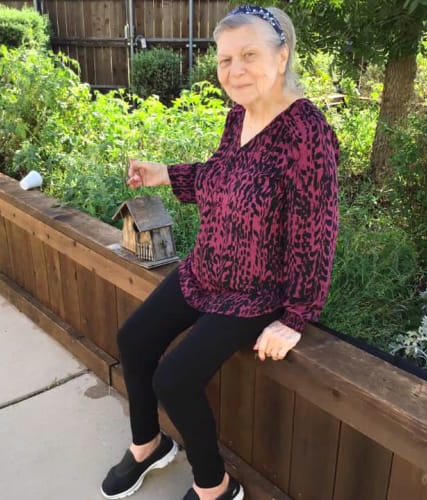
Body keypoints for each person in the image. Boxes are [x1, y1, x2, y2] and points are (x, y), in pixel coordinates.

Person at [101, 5, 339, 500]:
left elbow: (317, 233)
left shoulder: (308, 134)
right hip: (206, 269)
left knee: (175, 378)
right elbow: (223, 174)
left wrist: (295, 317)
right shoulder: (240, 114)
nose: (234, 70)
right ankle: (149, 444)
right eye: (225, 58)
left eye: (248, 55)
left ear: (282, 55)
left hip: (256, 291)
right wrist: (164, 173)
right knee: (133, 339)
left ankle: (216, 486)